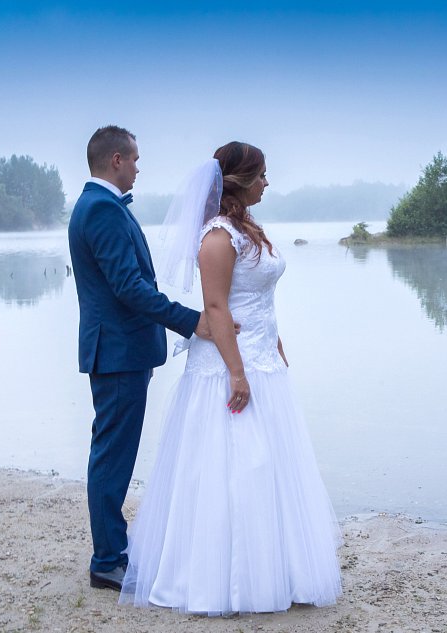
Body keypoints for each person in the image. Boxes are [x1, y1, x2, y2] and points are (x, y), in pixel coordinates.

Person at [119, 142, 342, 615]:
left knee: (271, 464)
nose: (267, 182)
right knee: (233, 465)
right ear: (238, 181)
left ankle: (280, 570)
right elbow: (216, 307)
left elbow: (258, 297)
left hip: (264, 357)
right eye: (261, 175)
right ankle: (219, 580)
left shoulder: (249, 228)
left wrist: (275, 342)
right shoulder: (218, 237)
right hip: (227, 364)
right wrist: (236, 373)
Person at [68, 125, 210, 591]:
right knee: (112, 457)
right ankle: (107, 560)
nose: (137, 168)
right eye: (134, 159)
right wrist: (190, 320)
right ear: (116, 160)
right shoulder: (102, 209)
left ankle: (113, 551)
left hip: (120, 351)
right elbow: (129, 287)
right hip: (117, 353)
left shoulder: (100, 206)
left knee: (113, 453)